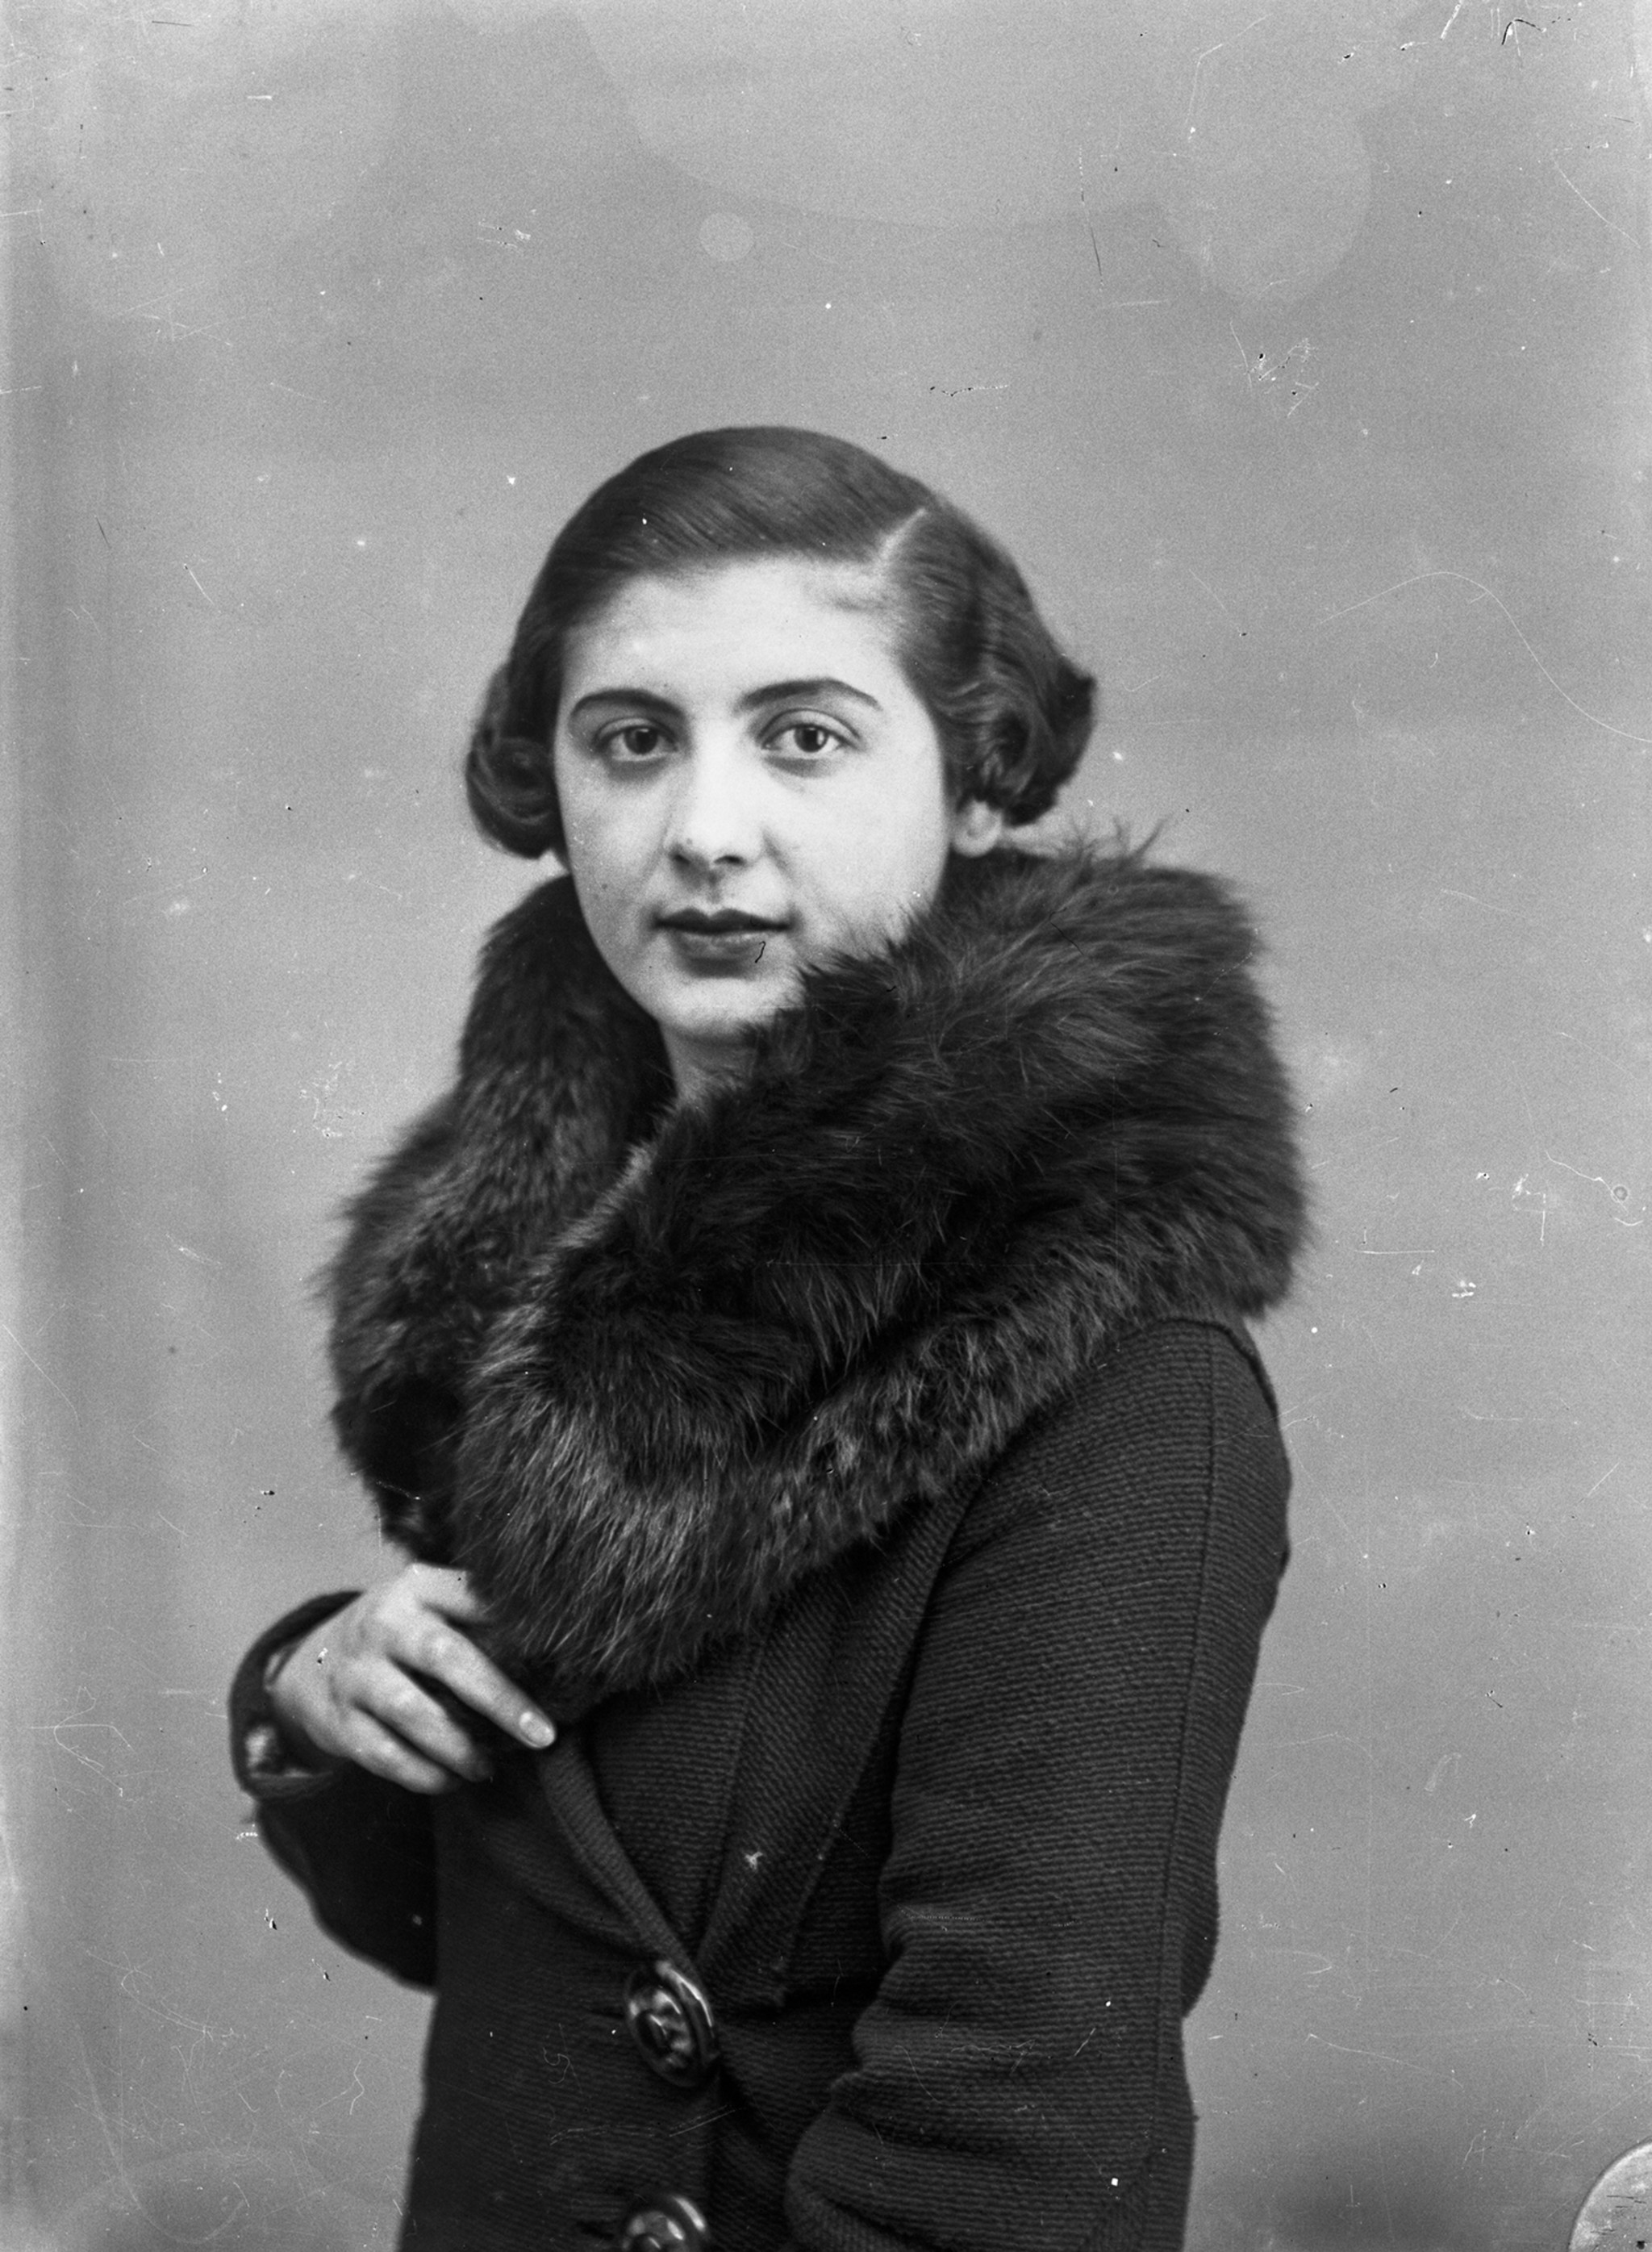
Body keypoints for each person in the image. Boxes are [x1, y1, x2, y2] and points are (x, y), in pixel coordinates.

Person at [229, 425, 1305, 2252]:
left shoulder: (1119, 1377)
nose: (704, 831)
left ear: (977, 782)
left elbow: (1013, 2136)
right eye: (630, 740)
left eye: (804, 738)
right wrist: (316, 1694)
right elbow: (526, 1950)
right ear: (550, 785)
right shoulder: (542, 1270)